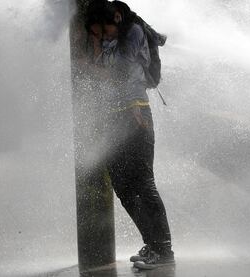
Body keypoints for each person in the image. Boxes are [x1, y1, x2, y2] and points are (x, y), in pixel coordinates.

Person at [85, 1, 174, 269]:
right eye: (97, 35)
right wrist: (97, 48)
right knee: (123, 185)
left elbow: (121, 72)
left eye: (104, 31)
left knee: (143, 183)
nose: (103, 37)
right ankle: (152, 244)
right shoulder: (112, 37)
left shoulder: (133, 31)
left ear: (116, 16)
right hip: (115, 116)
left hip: (136, 114)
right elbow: (102, 70)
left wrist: (99, 57)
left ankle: (164, 251)